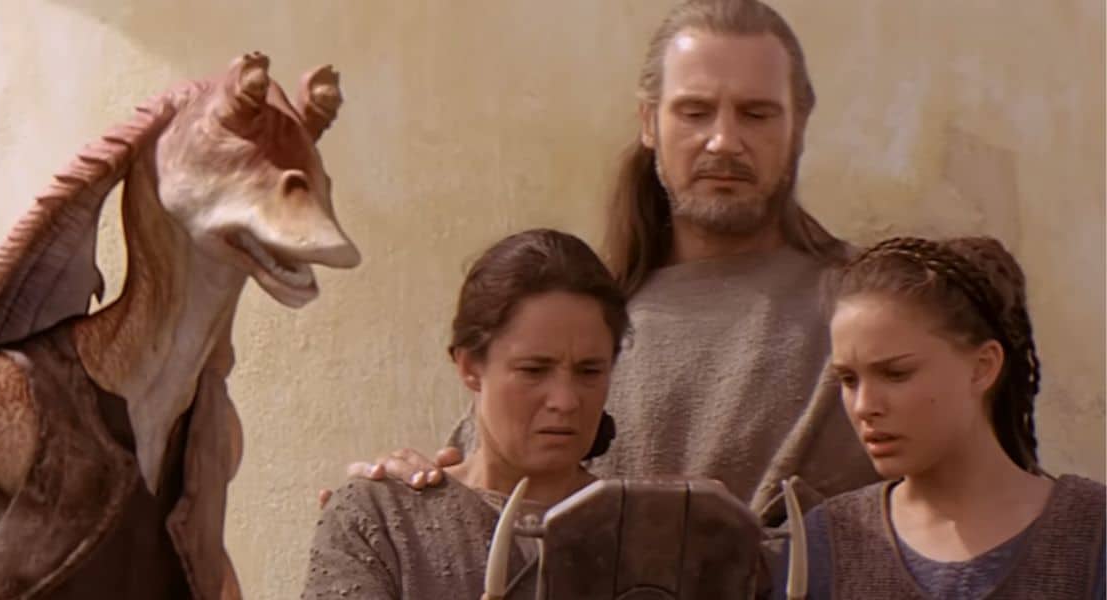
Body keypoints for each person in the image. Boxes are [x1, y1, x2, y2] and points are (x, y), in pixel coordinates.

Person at [335, 0, 877, 525]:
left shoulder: (868, 309)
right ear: (649, 121)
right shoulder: (575, 319)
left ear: (798, 124)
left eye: (756, 114)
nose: (723, 141)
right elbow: (482, 509)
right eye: (694, 112)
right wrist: (400, 504)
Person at [302, 229, 629, 599]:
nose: (565, 401)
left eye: (589, 371)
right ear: (470, 366)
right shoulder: (380, 519)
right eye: (534, 370)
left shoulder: (645, 535)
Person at [772, 236, 1105, 599]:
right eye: (849, 380)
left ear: (982, 367)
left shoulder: (1091, 533)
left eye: (896, 374)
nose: (864, 405)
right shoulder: (826, 545)